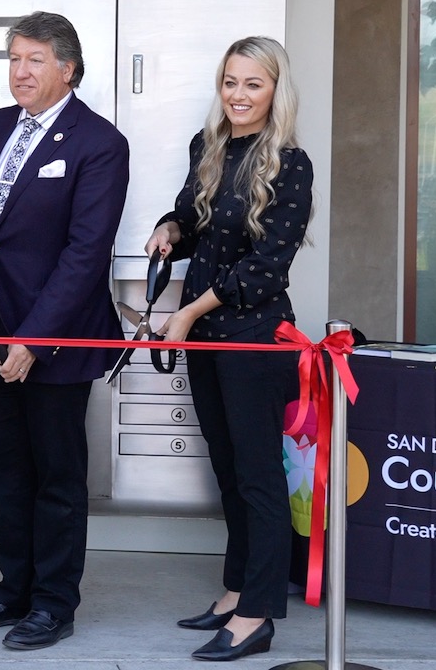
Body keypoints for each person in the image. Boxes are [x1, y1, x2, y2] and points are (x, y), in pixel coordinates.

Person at [0, 11, 129, 651]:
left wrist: (34, 339)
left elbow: (86, 253)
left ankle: (53, 602)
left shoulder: (99, 143)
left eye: (33, 60)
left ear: (67, 69)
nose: (19, 72)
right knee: (4, 472)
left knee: (55, 477)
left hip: (56, 338)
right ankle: (12, 590)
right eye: (14, 59)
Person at [145, 36, 311, 662]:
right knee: (226, 469)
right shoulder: (208, 147)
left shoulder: (290, 163)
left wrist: (186, 312)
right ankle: (238, 586)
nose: (239, 96)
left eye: (253, 85)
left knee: (258, 475)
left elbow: (266, 269)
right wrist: (170, 227)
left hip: (255, 338)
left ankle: (259, 612)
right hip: (207, 338)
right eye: (230, 83)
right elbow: (193, 220)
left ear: (275, 91)